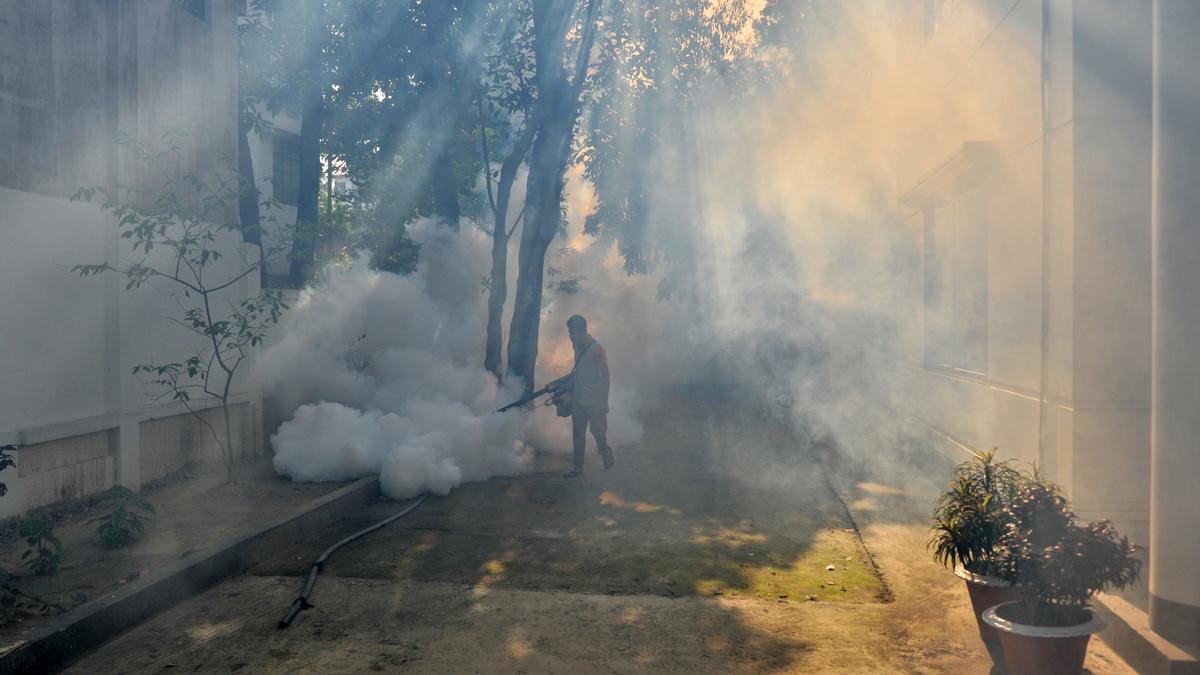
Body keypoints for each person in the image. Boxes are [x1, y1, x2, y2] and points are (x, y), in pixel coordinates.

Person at [563, 314, 613, 477]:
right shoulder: (576, 346)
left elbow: (606, 375)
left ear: (582, 331)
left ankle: (604, 451)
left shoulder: (597, 348)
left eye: (573, 332)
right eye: (569, 332)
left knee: (597, 431)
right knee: (578, 433)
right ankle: (578, 467)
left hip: (595, 400)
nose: (570, 336)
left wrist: (605, 400)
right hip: (578, 399)